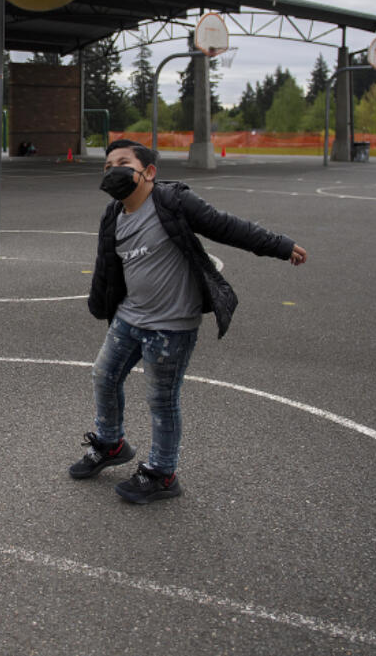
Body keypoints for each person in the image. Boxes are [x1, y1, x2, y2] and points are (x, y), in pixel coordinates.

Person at [74, 139, 307, 504]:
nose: (112, 171)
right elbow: (107, 266)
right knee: (104, 376)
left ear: (148, 172)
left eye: (122, 163)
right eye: (107, 166)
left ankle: (162, 474)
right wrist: (101, 304)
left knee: (161, 400)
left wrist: (278, 245)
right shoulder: (113, 214)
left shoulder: (173, 203)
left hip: (171, 326)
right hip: (129, 318)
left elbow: (226, 227)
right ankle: (110, 443)